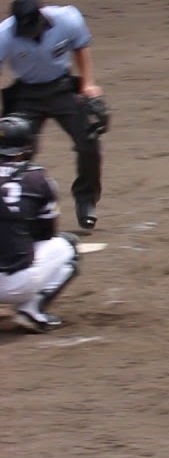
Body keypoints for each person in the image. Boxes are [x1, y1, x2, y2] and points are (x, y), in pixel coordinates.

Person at [0, 0, 109, 231]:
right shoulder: (4, 34)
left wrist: (88, 84)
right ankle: (16, 209)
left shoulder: (67, 18)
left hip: (61, 88)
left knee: (89, 143)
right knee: (12, 150)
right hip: (26, 94)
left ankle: (86, 199)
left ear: (41, 16)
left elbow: (80, 47)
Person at [0, 115, 81, 333]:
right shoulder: (38, 179)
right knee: (69, 245)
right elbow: (46, 233)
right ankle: (31, 310)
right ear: (27, 147)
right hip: (14, 284)